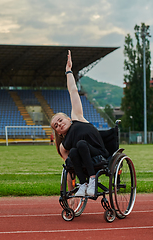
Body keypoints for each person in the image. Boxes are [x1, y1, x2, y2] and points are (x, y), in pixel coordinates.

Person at [50, 50, 108, 197]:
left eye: (60, 120)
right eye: (56, 126)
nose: (59, 124)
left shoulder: (77, 117)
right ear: (58, 133)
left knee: (81, 144)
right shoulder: (64, 146)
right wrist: (70, 193)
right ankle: (84, 184)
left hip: (98, 155)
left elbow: (73, 92)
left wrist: (68, 71)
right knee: (74, 151)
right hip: (82, 162)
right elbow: (69, 168)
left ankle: (92, 180)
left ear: (68, 119)